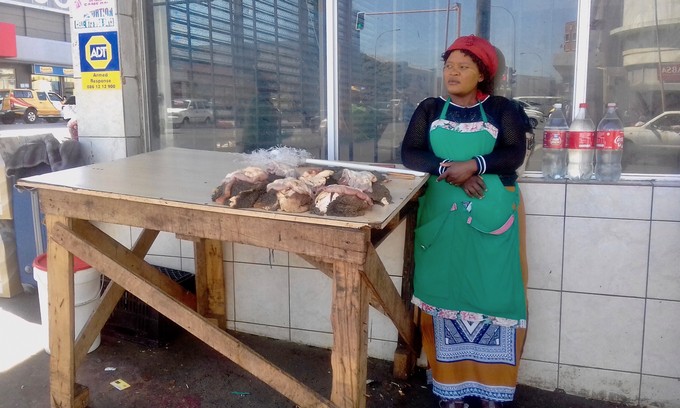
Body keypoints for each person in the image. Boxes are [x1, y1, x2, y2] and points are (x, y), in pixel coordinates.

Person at [401, 35, 531, 408]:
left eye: (463, 66)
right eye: (448, 66)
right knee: (443, 292)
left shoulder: (501, 109)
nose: (453, 73)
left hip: (491, 217)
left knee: (494, 294)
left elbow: (514, 153)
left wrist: (474, 165)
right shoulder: (429, 108)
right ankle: (449, 388)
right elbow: (411, 152)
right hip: (441, 218)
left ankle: (493, 391)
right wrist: (447, 169)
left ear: (482, 74)